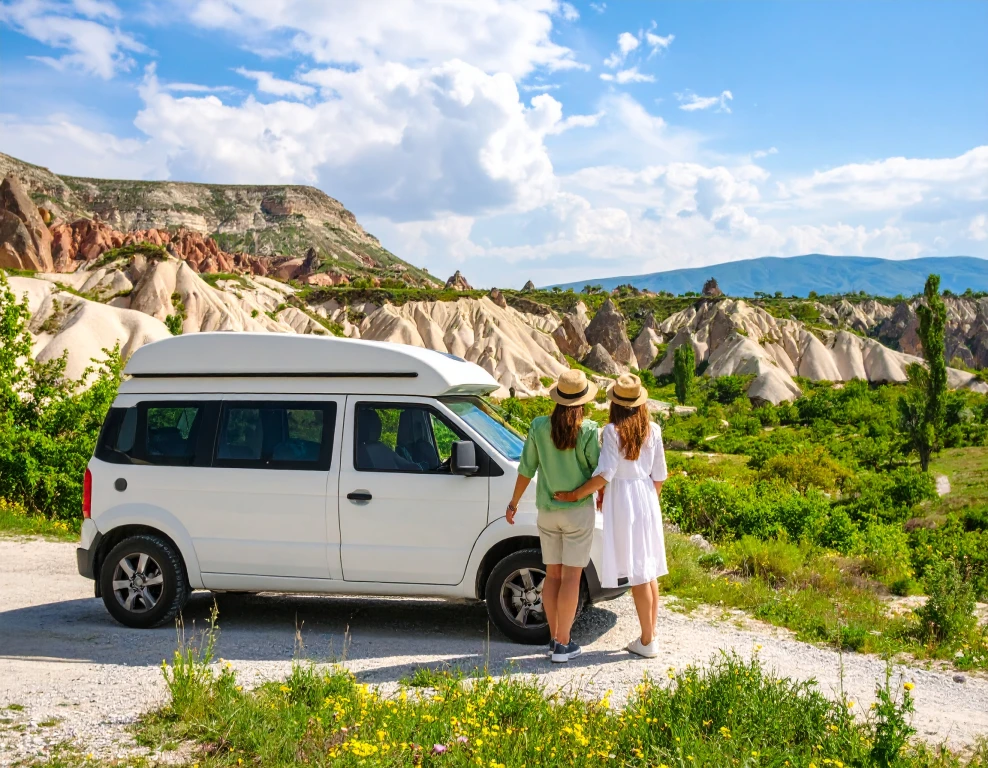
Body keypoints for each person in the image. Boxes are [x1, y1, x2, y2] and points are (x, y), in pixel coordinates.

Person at [554, 373, 668, 659]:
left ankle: (647, 639)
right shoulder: (653, 429)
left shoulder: (612, 432)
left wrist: (575, 494)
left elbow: (605, 474)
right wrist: (648, 500)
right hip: (647, 497)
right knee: (648, 568)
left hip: (625, 499)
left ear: (615, 404)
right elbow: (660, 475)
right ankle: (650, 635)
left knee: (639, 573)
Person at [506, 369, 601, 663]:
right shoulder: (588, 431)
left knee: (553, 576)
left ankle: (552, 640)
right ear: (582, 401)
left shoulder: (538, 426)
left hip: (547, 512)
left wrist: (513, 504)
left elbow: (526, 469)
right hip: (577, 513)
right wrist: (582, 494)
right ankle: (564, 642)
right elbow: (599, 474)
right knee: (572, 578)